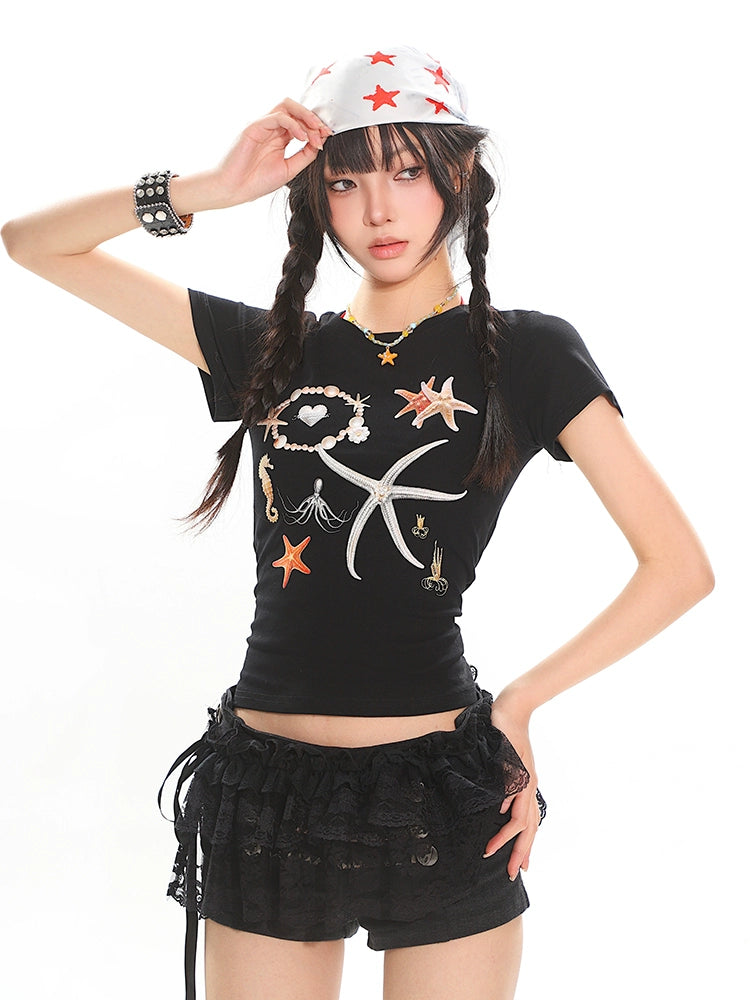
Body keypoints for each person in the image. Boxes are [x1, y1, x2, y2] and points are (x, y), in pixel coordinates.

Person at [1, 45, 714, 1000]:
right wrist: (210, 188)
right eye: (346, 181)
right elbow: (31, 242)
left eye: (407, 172)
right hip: (265, 795)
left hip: (440, 796)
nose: (379, 209)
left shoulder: (527, 354)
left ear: (460, 173)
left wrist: (519, 704)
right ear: (316, 198)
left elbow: (679, 567)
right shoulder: (273, 351)